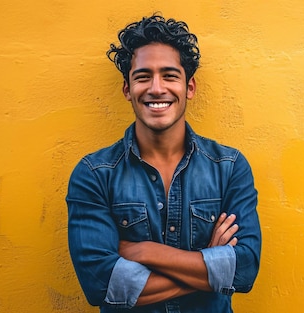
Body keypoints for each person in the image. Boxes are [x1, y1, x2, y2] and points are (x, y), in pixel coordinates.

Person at [66, 14, 262, 313]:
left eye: (170, 75)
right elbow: (101, 285)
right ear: (127, 89)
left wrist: (145, 251)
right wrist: (210, 261)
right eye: (143, 77)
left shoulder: (229, 167)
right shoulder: (94, 174)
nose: (157, 88)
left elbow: (244, 270)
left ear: (190, 87)